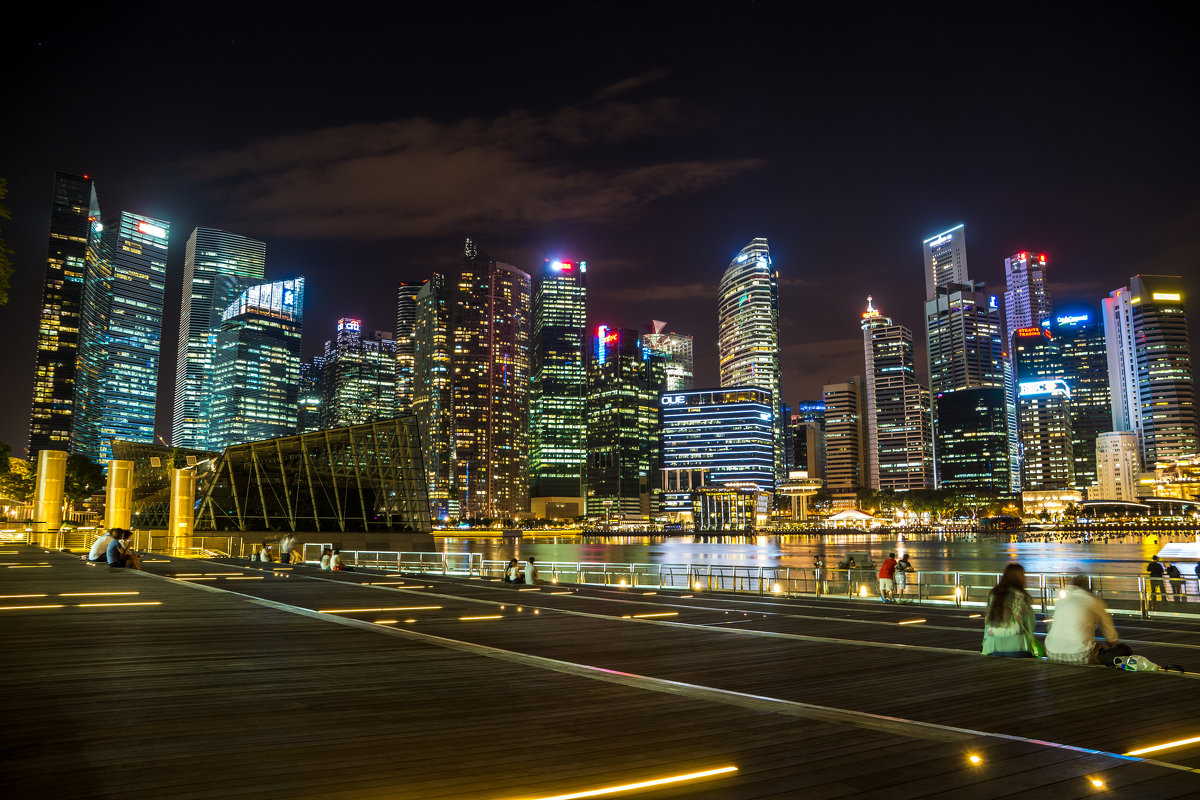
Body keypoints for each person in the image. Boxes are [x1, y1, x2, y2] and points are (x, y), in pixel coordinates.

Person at [1045, 575, 1119, 664]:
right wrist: (1115, 646)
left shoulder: (1061, 601)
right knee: (1109, 656)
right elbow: (1110, 633)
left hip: (1052, 652)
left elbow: (1051, 627)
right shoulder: (1095, 601)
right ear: (1090, 588)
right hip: (1080, 655)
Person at [981, 563, 1037, 658]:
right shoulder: (1022, 596)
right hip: (1018, 648)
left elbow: (988, 622)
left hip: (992, 648)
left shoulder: (994, 595)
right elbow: (1030, 624)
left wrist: (985, 645)